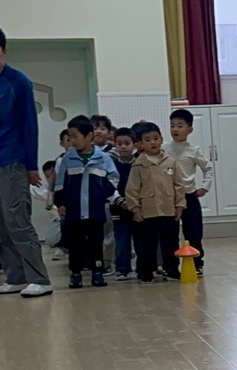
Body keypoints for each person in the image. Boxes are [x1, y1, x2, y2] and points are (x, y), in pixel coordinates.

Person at [0, 27, 53, 297]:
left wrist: (31, 164)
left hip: (14, 161)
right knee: (0, 224)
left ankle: (40, 279)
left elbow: (29, 124)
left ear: (4, 51)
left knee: (18, 220)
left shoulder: (19, 81)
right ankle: (16, 276)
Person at [54, 115, 118, 289]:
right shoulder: (67, 159)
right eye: (70, 137)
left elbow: (113, 179)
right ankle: (75, 273)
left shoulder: (103, 158)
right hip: (74, 210)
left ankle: (97, 272)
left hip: (95, 209)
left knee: (96, 242)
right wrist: (61, 203)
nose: (72, 141)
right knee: (75, 243)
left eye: (75, 136)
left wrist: (102, 193)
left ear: (89, 136)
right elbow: (60, 183)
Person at [125, 120, 188, 283]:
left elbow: (179, 185)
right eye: (147, 140)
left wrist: (180, 205)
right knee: (147, 244)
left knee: (171, 242)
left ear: (161, 139)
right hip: (148, 211)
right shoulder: (138, 165)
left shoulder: (170, 162)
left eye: (155, 138)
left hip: (168, 210)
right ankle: (146, 271)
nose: (152, 142)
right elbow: (132, 189)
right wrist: (135, 208)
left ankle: (172, 269)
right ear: (141, 144)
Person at [166, 109, 214, 275]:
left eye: (180, 126)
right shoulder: (164, 149)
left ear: (190, 129)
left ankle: (197, 264)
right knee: (170, 234)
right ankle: (171, 267)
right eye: (172, 125)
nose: (175, 129)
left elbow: (208, 169)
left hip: (189, 196)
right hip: (170, 198)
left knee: (193, 233)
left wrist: (205, 187)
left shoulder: (194, 150)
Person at [108, 126, 138, 281]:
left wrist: (135, 203)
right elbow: (109, 186)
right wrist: (120, 201)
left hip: (138, 209)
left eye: (127, 143)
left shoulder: (139, 164)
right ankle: (122, 269)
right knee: (121, 240)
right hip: (118, 209)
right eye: (119, 143)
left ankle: (143, 267)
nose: (123, 147)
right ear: (115, 145)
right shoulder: (111, 165)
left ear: (134, 144)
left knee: (140, 240)